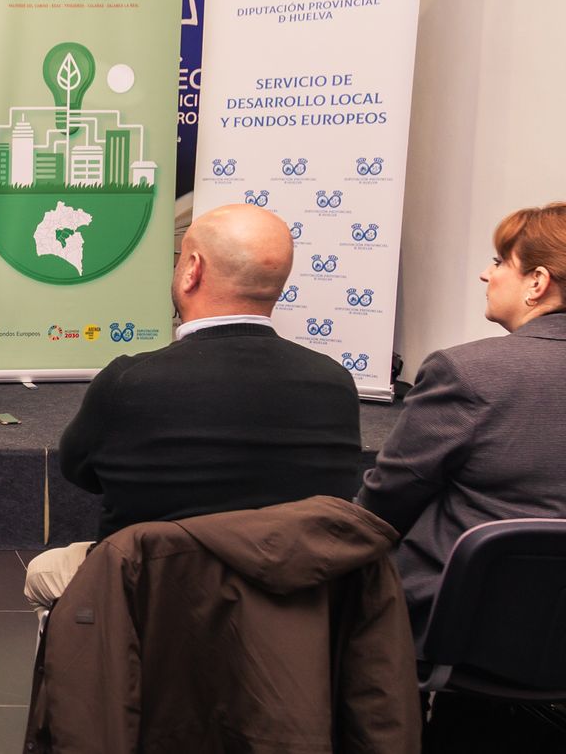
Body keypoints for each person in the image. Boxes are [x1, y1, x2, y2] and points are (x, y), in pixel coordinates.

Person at [24, 203, 362, 614]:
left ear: (193, 270)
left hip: (152, 596)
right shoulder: (335, 383)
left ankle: (85, 676)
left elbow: (80, 472)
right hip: (294, 602)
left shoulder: (129, 381)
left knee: (43, 572)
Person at [357, 202, 566, 638]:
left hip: (464, 623)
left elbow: (384, 508)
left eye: (499, 261)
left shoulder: (469, 373)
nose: (486, 275)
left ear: (537, 283)